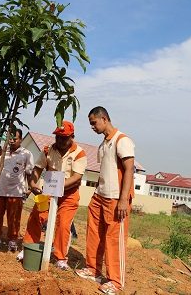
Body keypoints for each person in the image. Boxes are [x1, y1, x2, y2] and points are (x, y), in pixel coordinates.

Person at [75, 106, 135, 295]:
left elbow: (129, 170)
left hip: (116, 199)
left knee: (113, 239)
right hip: (100, 196)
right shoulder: (103, 145)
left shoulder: (122, 140)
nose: (92, 127)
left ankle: (115, 281)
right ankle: (93, 269)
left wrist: (124, 199)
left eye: (94, 123)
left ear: (104, 119)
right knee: (94, 233)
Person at [17, 120, 87, 270]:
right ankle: (28, 248)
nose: (60, 141)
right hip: (49, 191)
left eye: (64, 137)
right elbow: (37, 169)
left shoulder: (79, 153)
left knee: (63, 223)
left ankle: (61, 258)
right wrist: (33, 184)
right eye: (58, 137)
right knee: (35, 217)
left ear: (72, 137)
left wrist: (58, 187)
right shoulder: (48, 150)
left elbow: (76, 177)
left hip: (69, 194)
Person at [0, 128, 34, 252]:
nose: (11, 141)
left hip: (16, 192)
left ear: (21, 139)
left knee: (14, 217)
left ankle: (12, 239)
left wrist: (30, 189)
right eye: (9, 138)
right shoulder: (2, 152)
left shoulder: (26, 154)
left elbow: (29, 173)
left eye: (15, 138)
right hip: (0, 189)